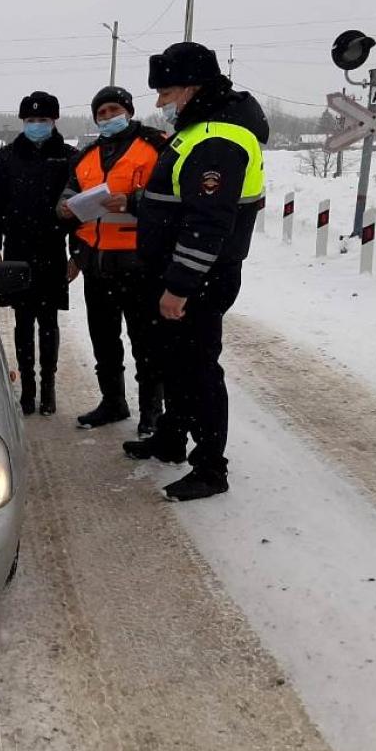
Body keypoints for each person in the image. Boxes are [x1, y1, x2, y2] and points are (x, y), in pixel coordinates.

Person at [122, 42, 268, 502]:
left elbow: (207, 222)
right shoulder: (198, 130)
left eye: (167, 93)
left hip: (199, 278)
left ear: (192, 86)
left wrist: (180, 286)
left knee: (198, 368)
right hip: (177, 273)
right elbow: (175, 202)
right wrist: (134, 205)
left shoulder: (217, 140)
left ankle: (210, 467)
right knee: (173, 361)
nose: (162, 103)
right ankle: (171, 438)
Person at [57, 86, 167, 436]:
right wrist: (64, 209)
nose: (107, 118)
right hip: (99, 264)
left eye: (113, 110)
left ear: (129, 111)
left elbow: (172, 195)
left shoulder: (155, 147)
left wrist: (134, 201)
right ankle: (113, 402)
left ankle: (152, 413)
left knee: (146, 343)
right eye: (101, 113)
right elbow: (70, 196)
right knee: (104, 340)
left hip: (141, 263)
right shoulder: (87, 156)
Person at [0, 91, 76, 415]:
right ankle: (27, 387)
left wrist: (76, 254)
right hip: (17, 251)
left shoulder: (68, 156)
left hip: (52, 251)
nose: (37, 125)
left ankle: (48, 385)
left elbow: (79, 208)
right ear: (23, 122)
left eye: (43, 120)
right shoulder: (8, 156)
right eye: (31, 120)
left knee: (48, 322)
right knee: (23, 323)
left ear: (54, 121)